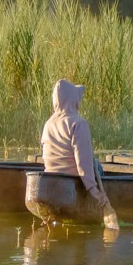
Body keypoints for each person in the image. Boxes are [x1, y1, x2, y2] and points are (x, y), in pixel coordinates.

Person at [40, 77, 118, 228]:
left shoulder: (48, 124)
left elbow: (46, 157)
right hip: (72, 183)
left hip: (50, 183)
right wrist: (94, 191)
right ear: (73, 100)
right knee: (96, 165)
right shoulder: (78, 123)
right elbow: (83, 162)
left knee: (94, 163)